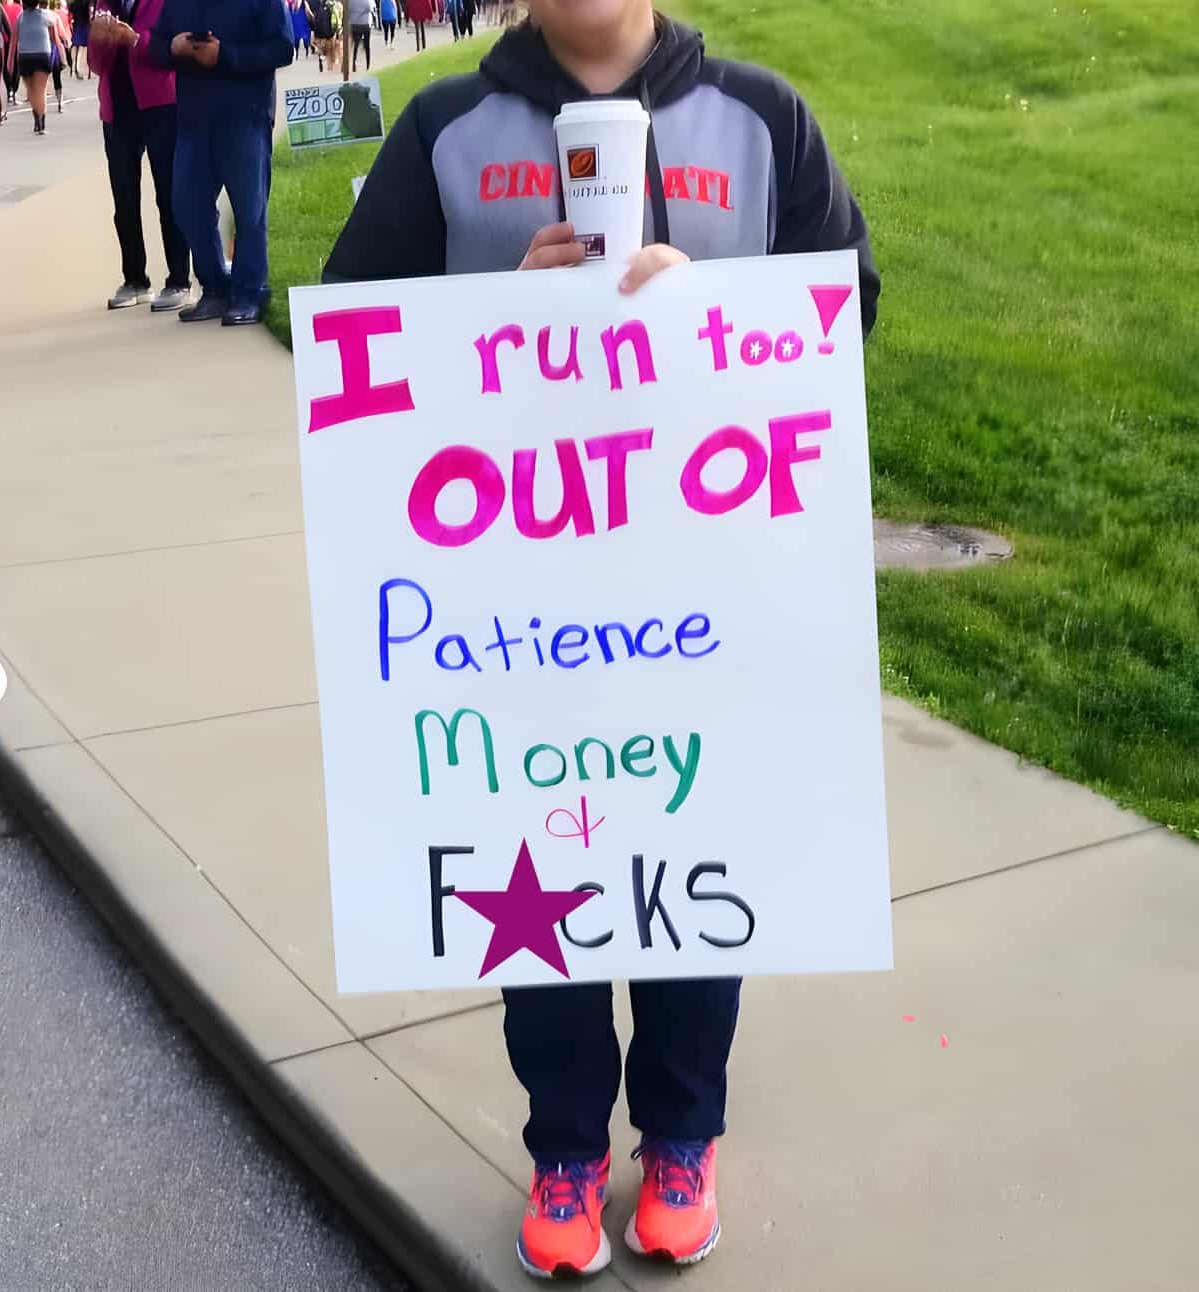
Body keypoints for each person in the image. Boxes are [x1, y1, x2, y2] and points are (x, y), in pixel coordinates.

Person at [321, 0, 879, 1281]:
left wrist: (716, 313)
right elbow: (346, 332)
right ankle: (566, 1144)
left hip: (708, 599)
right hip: (518, 619)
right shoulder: (446, 128)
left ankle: (683, 1134)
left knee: (695, 875)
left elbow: (845, 315)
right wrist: (482, 334)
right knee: (546, 887)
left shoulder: (759, 117)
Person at [150, 0, 292, 326]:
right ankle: (214, 287)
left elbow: (282, 48)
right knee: (187, 206)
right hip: (193, 121)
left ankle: (248, 292)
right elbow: (156, 46)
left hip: (246, 117)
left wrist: (224, 56)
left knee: (249, 211)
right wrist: (172, 47)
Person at [87, 1, 190, 311]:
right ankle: (134, 279)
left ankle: (179, 281)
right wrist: (101, 40)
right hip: (117, 108)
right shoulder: (104, 5)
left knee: (169, 195)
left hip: (160, 104)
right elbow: (95, 64)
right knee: (124, 198)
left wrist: (134, 39)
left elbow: (177, 51)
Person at [12, 0, 66, 133]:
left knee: (31, 89)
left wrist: (9, 63)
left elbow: (14, 42)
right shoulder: (48, 16)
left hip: (25, 56)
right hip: (42, 54)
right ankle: (41, 123)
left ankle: (36, 118)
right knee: (40, 90)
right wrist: (62, 58)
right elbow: (56, 40)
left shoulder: (20, 17)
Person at [347, 0, 369, 70]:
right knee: (367, 45)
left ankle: (354, 62)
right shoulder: (365, 1)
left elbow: (349, 10)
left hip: (354, 24)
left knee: (355, 45)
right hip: (364, 24)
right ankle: (367, 64)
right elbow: (368, 9)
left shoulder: (350, 2)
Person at [66, 0, 87, 75]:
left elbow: (70, 15)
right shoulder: (85, 3)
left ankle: (73, 66)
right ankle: (77, 67)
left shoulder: (73, 4)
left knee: (75, 45)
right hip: (84, 25)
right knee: (80, 48)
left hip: (76, 25)